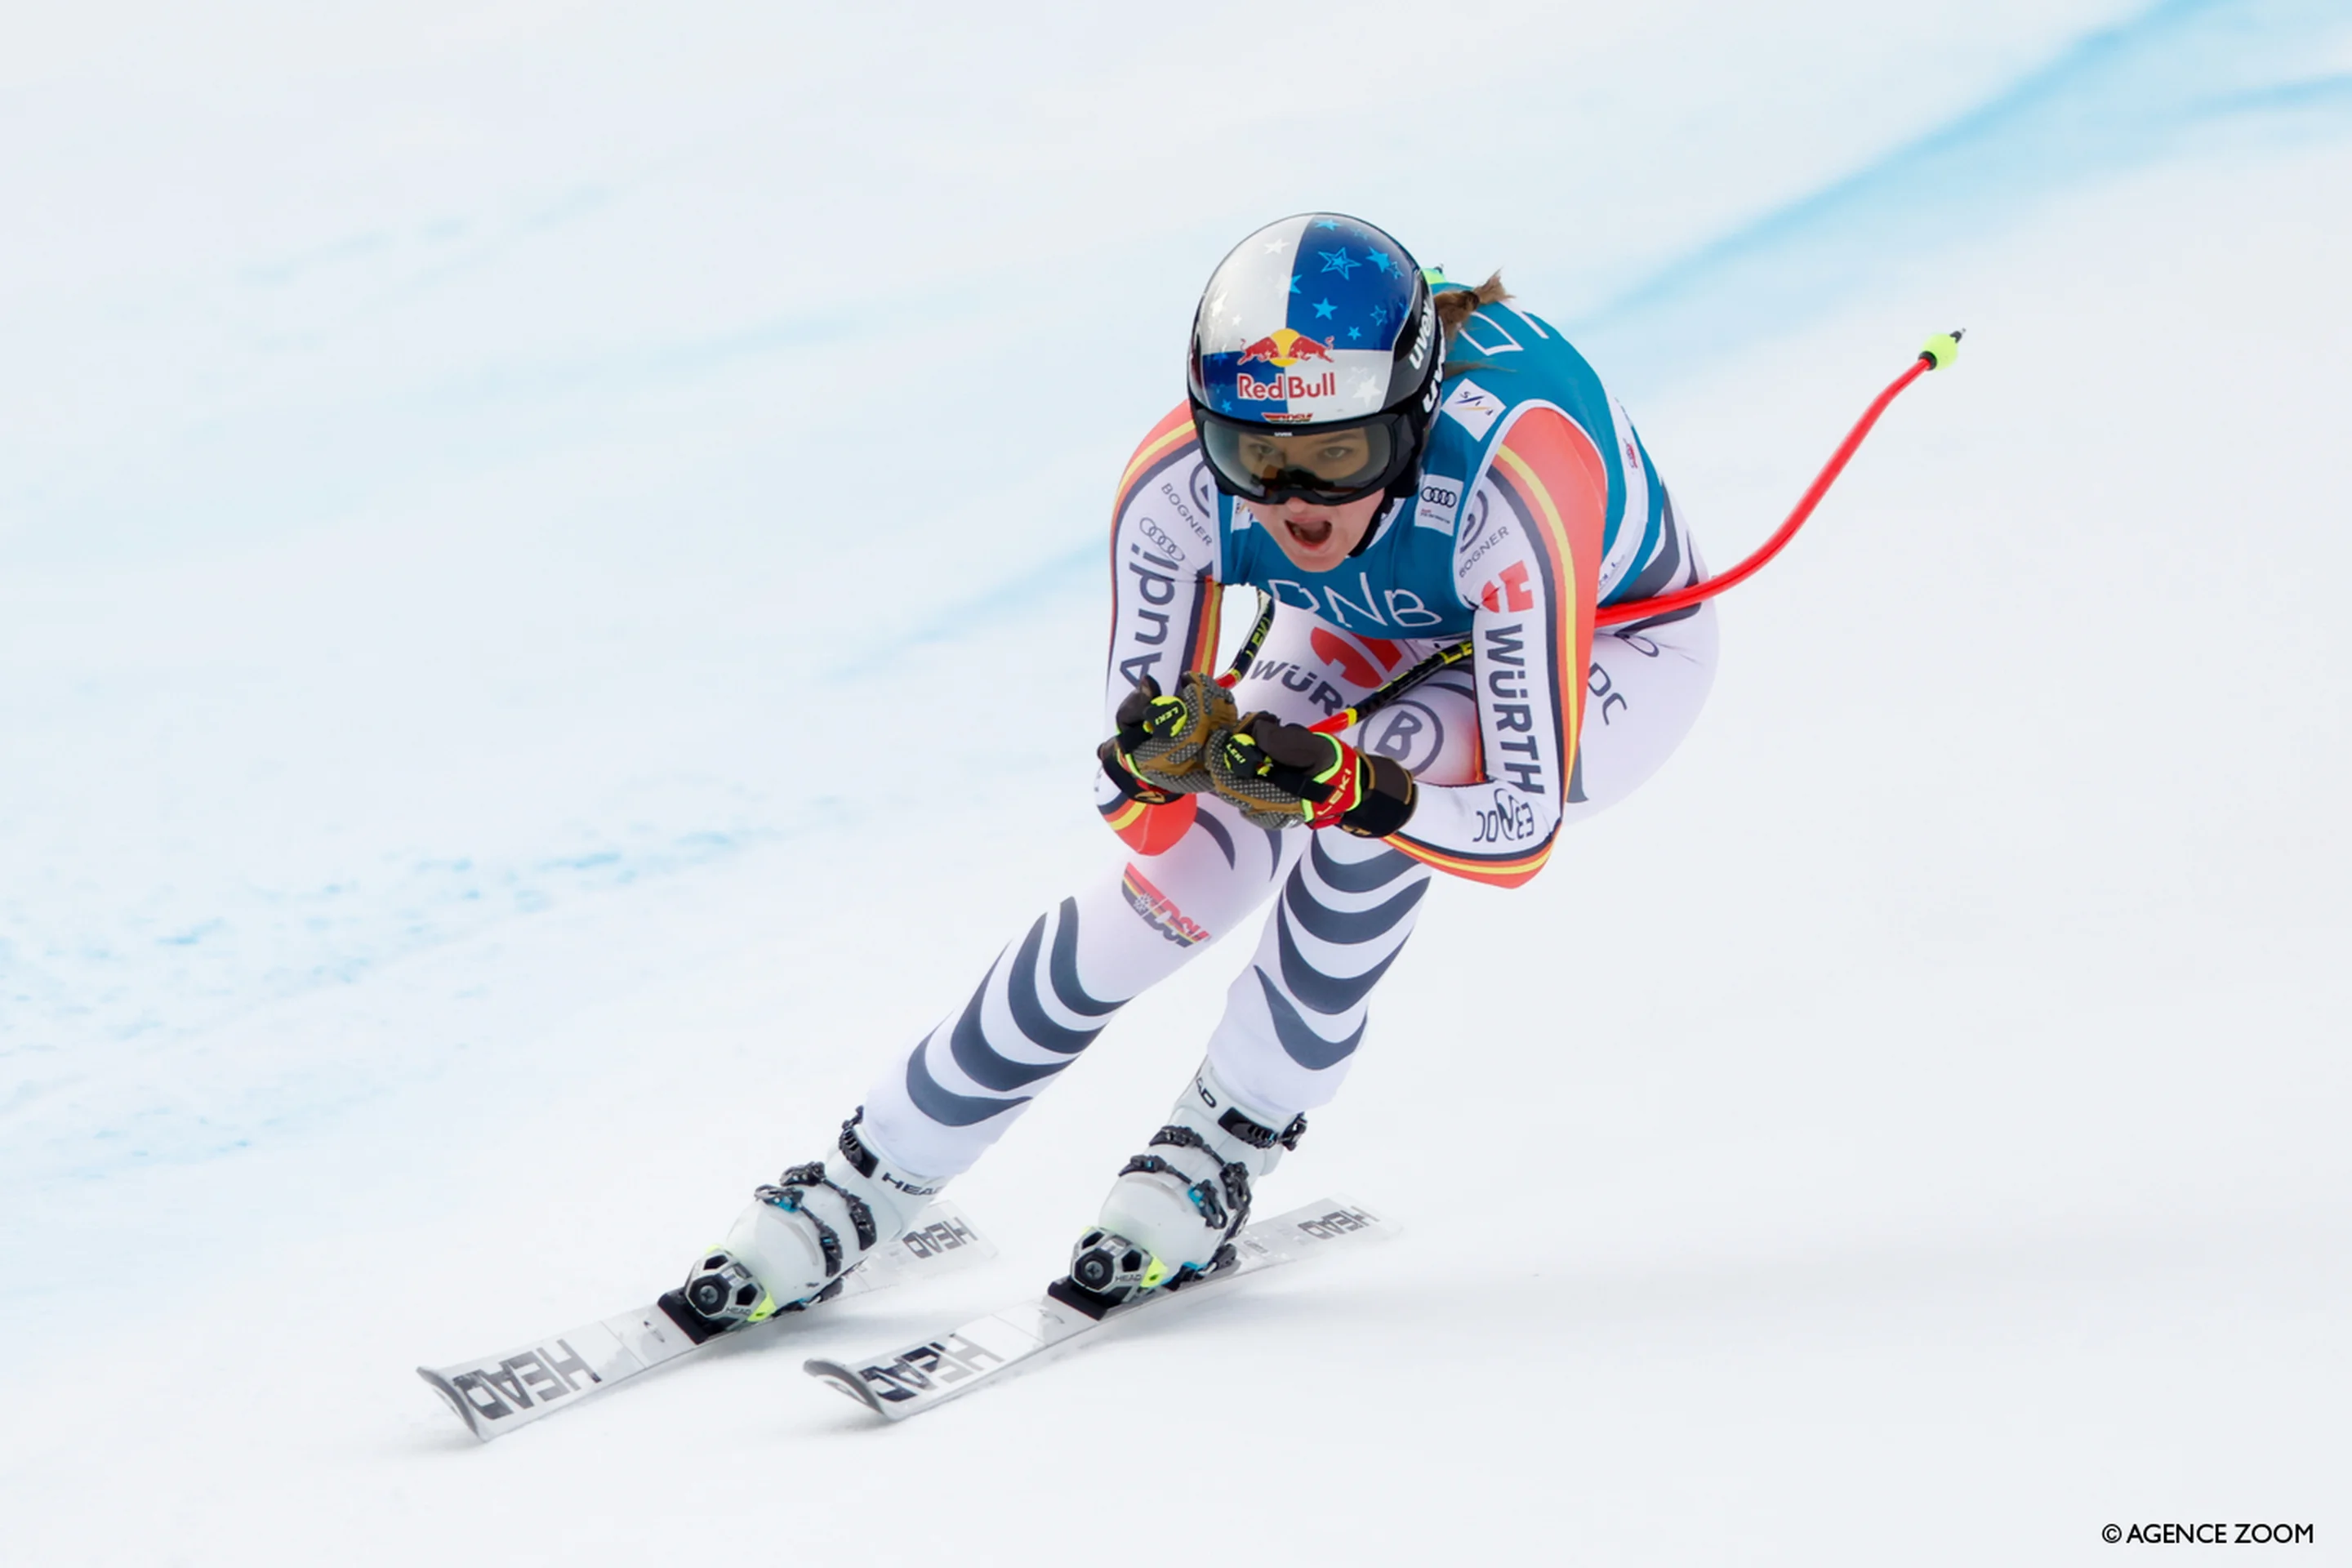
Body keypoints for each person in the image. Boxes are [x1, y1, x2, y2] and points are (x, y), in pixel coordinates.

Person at [675, 212, 1721, 1326]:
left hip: (1615, 641)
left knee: (1380, 786)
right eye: (1256, 460)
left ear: (1410, 424)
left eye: (1339, 460)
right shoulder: (1178, 483)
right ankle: (867, 1172)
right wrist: (1155, 768)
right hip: (1376, 616)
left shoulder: (1518, 476)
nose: (1294, 507)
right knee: (1184, 885)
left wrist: (1342, 787)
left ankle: (1228, 1136)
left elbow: (1518, 828)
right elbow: (1142, 826)